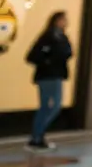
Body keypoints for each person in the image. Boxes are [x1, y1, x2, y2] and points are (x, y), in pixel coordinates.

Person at [25, 11, 72, 152]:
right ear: (56, 20)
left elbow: (68, 52)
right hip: (48, 76)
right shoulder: (49, 37)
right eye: (63, 19)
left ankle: (38, 137)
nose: (66, 22)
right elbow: (32, 56)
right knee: (53, 106)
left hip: (54, 76)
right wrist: (48, 60)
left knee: (46, 107)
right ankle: (36, 136)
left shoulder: (61, 36)